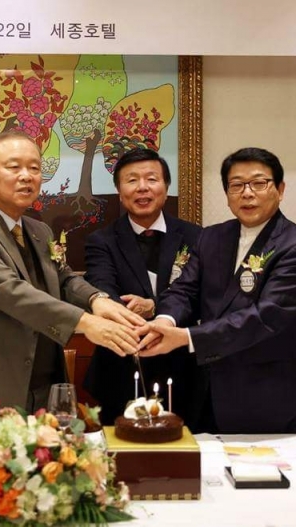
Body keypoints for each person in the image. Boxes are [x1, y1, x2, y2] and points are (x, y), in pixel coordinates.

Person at [0, 130, 146, 414]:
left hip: (46, 387)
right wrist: (86, 322)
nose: (26, 176)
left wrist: (97, 299)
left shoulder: (40, 231)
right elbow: (13, 293)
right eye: (14, 167)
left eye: (34, 168)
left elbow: (64, 279)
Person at [139, 147, 296, 434]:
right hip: (206, 396)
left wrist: (187, 337)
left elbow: (265, 317)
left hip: (268, 399)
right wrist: (165, 321)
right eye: (236, 185)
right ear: (227, 193)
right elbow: (183, 290)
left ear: (280, 190)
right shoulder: (211, 237)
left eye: (259, 183)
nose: (247, 193)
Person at [83, 148, 202, 424]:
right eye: (132, 180)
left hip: (183, 371)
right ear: (119, 191)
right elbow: (102, 290)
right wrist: (125, 311)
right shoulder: (101, 241)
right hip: (121, 368)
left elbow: (201, 295)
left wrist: (154, 307)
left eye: (151, 179)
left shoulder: (196, 237)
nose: (142, 187)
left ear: (166, 187)